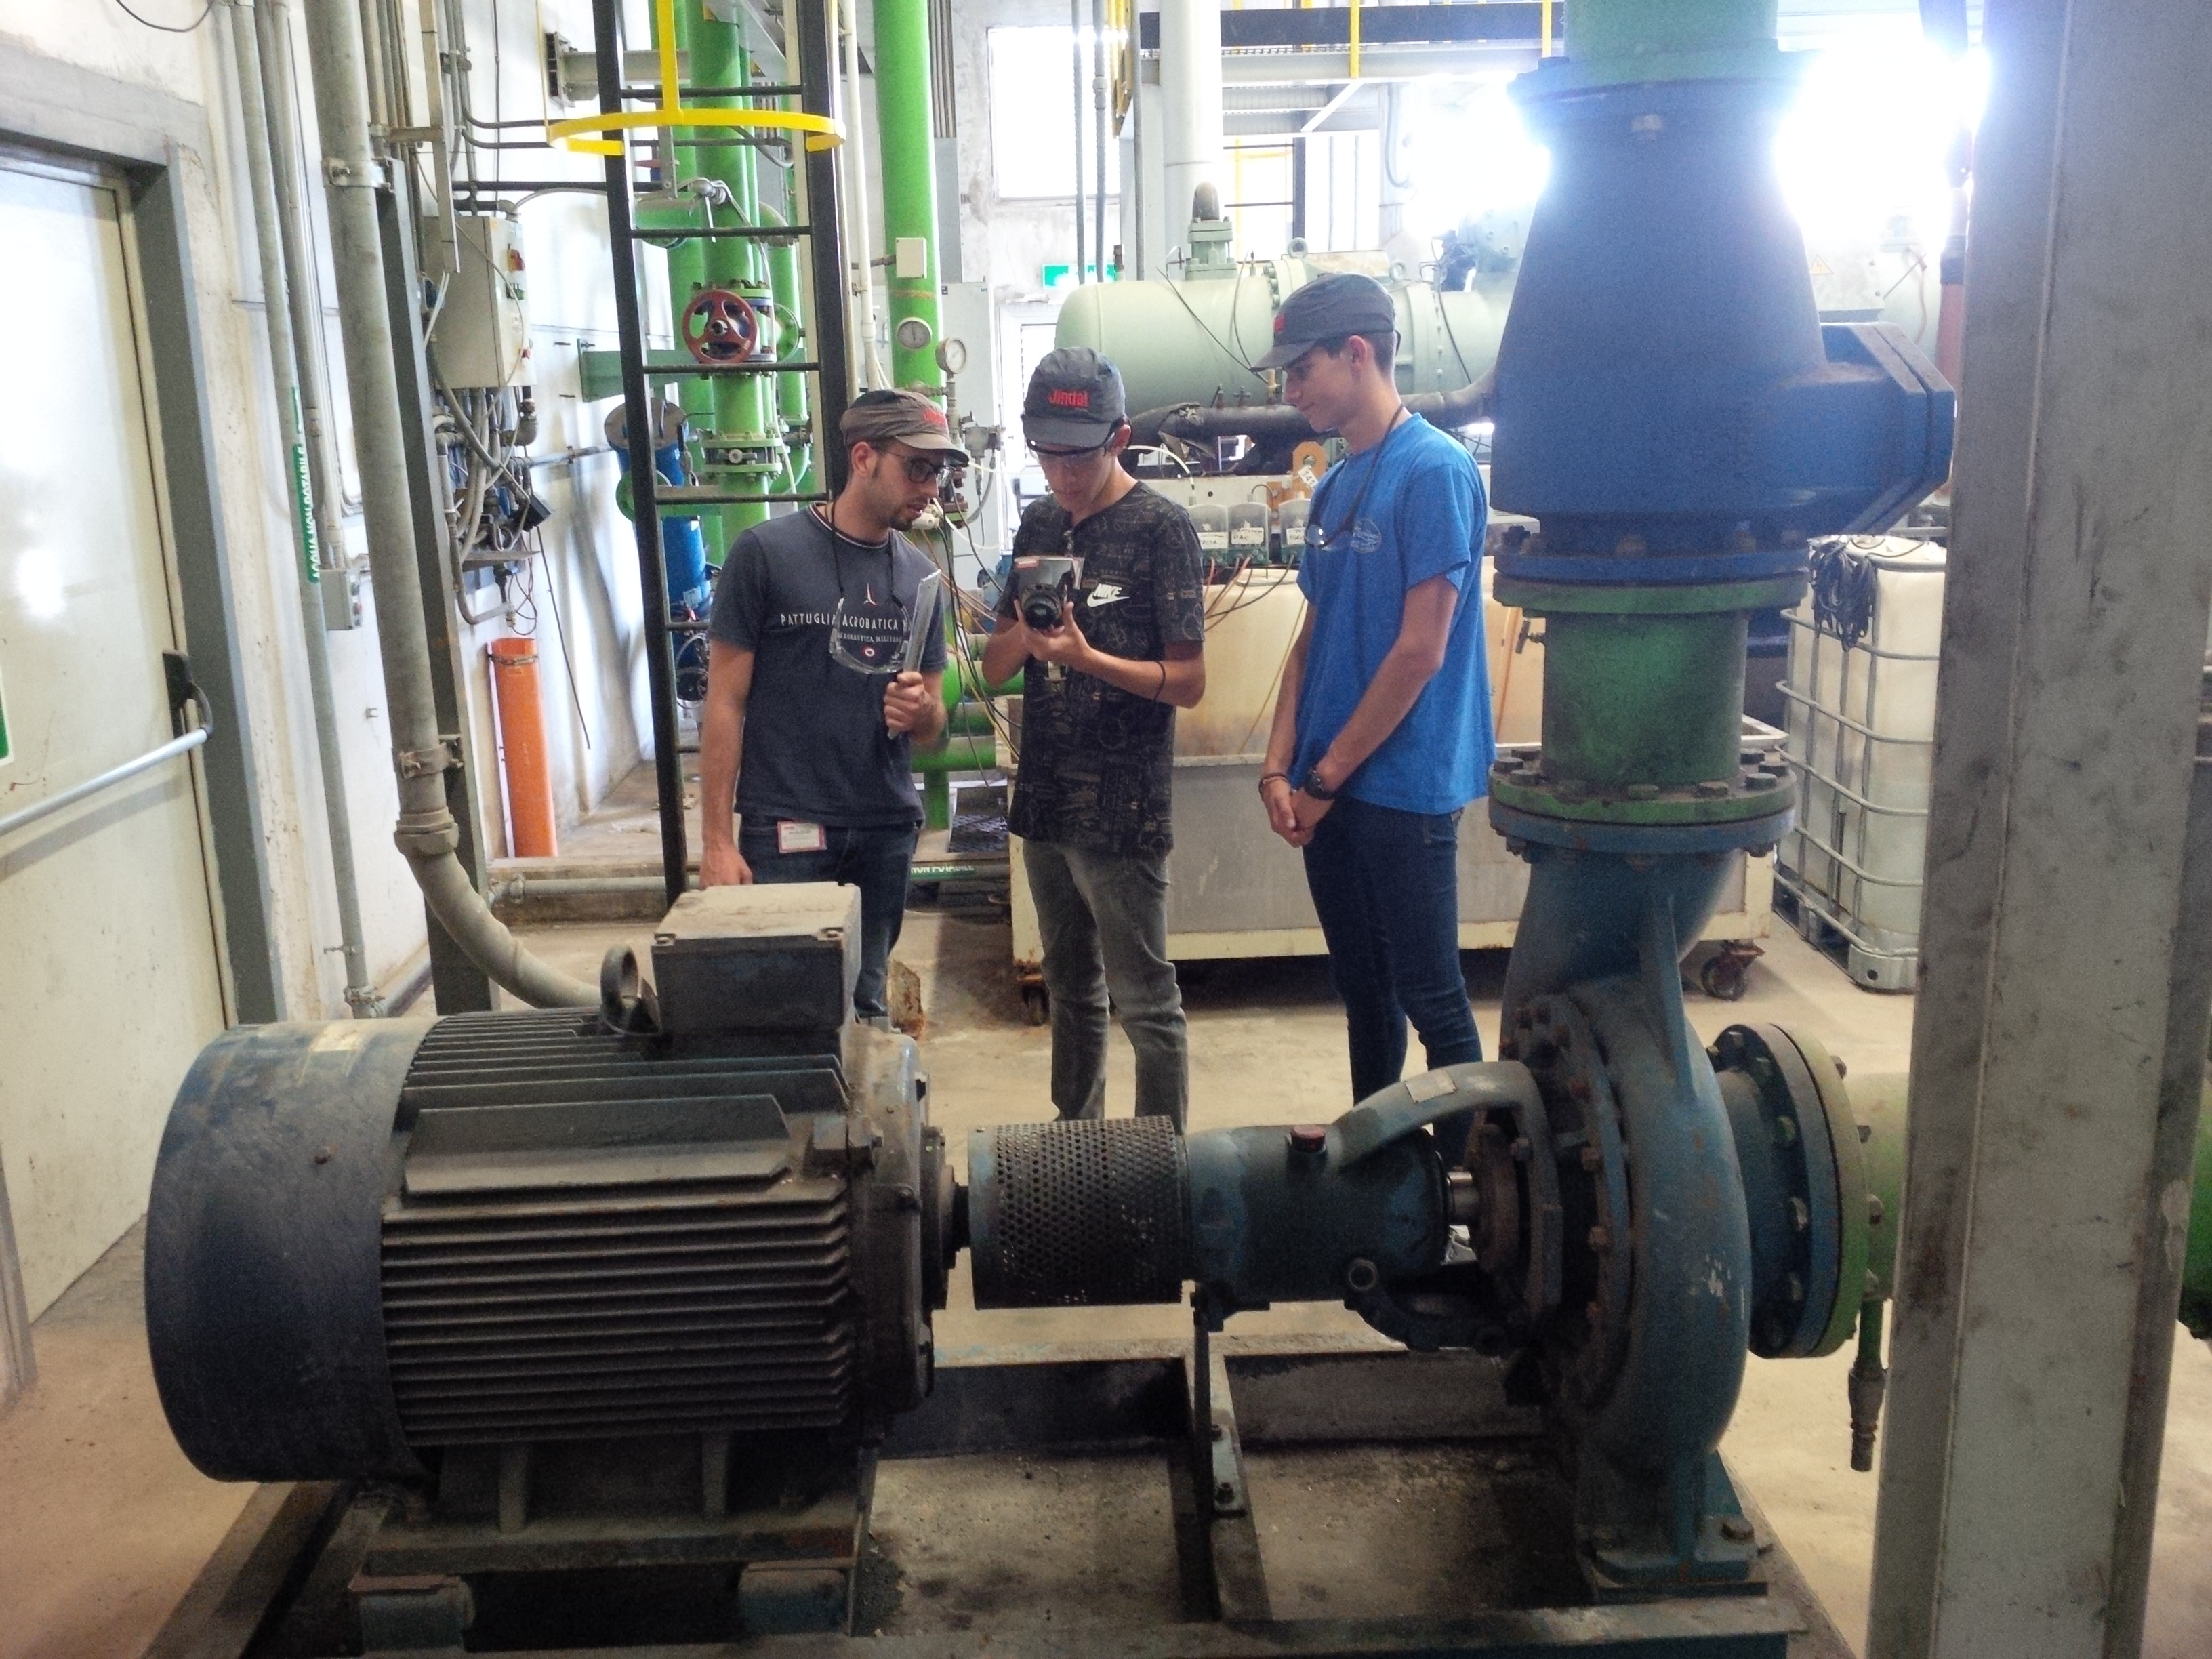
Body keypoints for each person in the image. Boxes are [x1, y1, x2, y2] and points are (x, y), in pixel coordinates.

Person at [1254, 273, 1496, 1107]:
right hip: (1327, 784)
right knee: (1364, 992)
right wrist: (1277, 766)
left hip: (1401, 785)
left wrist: (1323, 780)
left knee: (1432, 997)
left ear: (1357, 353)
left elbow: (1421, 651)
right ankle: (1377, 1161)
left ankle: (1465, 1175)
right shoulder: (1335, 482)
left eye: (1301, 370)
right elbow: (1311, 640)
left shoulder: (1435, 471)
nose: (1289, 391)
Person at [981, 348, 1208, 1130]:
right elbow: (995, 664)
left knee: (1144, 1000)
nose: (1062, 474)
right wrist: (1026, 636)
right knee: (1070, 988)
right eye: (1046, 454)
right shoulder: (1039, 522)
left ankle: (1160, 1161)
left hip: (1122, 808)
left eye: (1077, 456)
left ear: (1119, 438)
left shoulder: (1162, 529)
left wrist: (1087, 658)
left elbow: (1189, 682)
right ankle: (1075, 1142)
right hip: (1045, 797)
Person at [698, 388, 961, 1020]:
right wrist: (715, 841)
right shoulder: (766, 554)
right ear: (864, 458)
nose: (930, 487)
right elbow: (725, 702)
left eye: (939, 471)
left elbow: (935, 730)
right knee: (783, 1012)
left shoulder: (921, 578)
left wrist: (923, 713)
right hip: (787, 826)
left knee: (866, 1001)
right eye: (917, 468)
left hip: (884, 830)